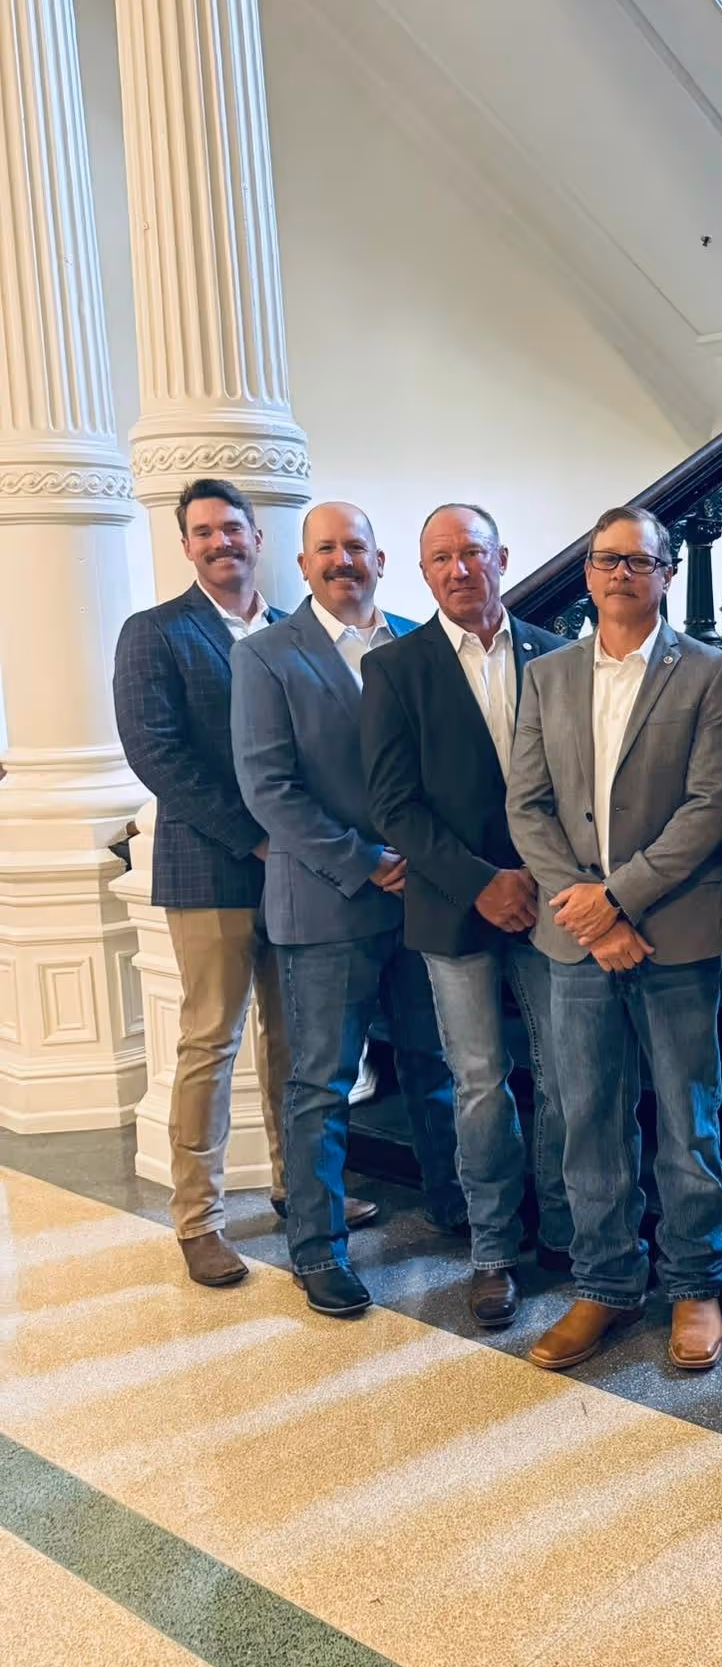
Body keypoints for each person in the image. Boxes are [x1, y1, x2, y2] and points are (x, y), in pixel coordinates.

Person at [113, 477, 377, 1287]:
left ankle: (302, 1193)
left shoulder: (302, 632)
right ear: (185, 545)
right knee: (211, 1044)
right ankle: (200, 1219)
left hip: (305, 876)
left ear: (261, 540)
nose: (221, 542)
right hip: (214, 871)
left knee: (296, 1044)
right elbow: (158, 756)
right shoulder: (155, 633)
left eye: (234, 529)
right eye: (204, 532)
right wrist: (257, 837)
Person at [506, 507, 722, 1372]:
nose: (618, 574)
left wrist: (619, 900)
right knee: (589, 1120)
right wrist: (584, 910)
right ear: (589, 572)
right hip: (575, 942)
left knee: (688, 1121)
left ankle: (694, 1283)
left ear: (668, 573)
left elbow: (709, 805)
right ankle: (604, 1285)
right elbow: (525, 805)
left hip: (672, 932)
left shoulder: (709, 672)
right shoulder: (550, 675)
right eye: (605, 560)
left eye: (637, 561)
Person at [231, 503, 464, 1317]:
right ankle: (318, 1249)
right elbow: (268, 789)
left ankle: (453, 1201)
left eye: (355, 547)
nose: (342, 560)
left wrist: (428, 861)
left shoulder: (413, 640)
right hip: (329, 904)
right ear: (302, 565)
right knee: (322, 1085)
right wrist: (367, 863)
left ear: (381, 558)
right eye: (325, 548)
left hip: (424, 899)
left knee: (437, 1067)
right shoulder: (265, 657)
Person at [360, 503, 568, 1331]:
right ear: (423, 570)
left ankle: (564, 1230)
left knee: (565, 1076)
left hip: (553, 902)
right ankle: (492, 1251)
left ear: (502, 557)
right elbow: (392, 805)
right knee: (478, 1083)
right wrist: (482, 882)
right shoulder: (396, 668)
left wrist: (539, 879)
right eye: (440, 558)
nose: (458, 570)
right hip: (453, 907)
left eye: (472, 554)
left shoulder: (558, 656)